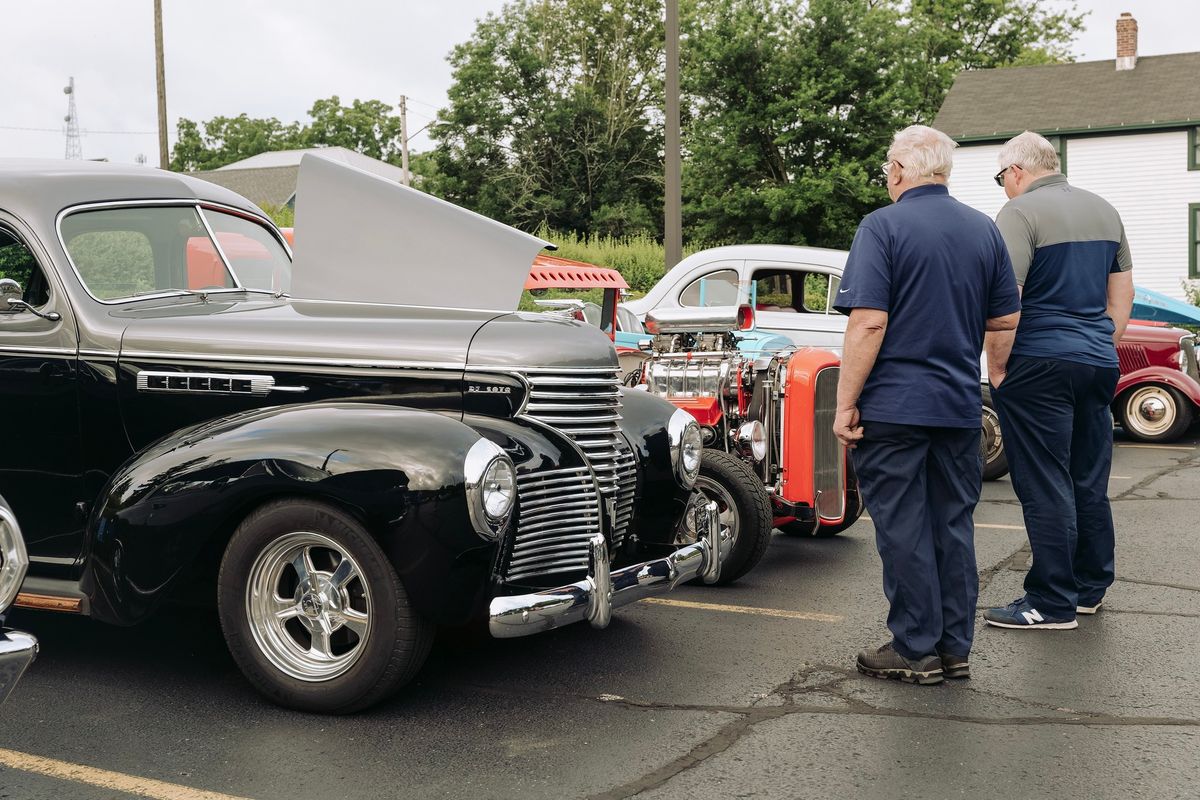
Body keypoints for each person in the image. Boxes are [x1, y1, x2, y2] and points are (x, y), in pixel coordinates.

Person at [834, 125, 1021, 685]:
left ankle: (915, 647)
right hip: (958, 406)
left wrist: (845, 404)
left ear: (897, 170)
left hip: (894, 407)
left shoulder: (882, 227)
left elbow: (869, 320)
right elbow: (1006, 318)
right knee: (952, 525)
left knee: (903, 527)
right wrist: (982, 357)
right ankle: (952, 648)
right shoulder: (983, 230)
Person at [982, 131, 1134, 630]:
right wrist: (1101, 337)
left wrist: (997, 366)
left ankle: (1049, 601)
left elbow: (1008, 299)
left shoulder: (1020, 213)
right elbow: (1122, 289)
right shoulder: (1105, 210)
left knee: (1044, 480)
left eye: (1001, 177)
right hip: (1096, 360)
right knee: (1087, 477)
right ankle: (1089, 588)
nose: (1003, 186)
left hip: (1039, 361)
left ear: (1018, 171)